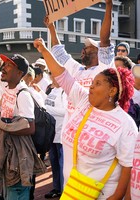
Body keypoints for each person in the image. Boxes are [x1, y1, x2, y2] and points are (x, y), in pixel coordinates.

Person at [34, 36, 138, 199]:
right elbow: (62, 75)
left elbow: (128, 165)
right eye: (92, 82)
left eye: (97, 84)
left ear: (111, 91)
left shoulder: (125, 124)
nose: (90, 86)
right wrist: (43, 50)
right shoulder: (83, 100)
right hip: (73, 191)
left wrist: (117, 196)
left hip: (102, 194)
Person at [0, 30, 46, 200]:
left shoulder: (23, 94)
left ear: (20, 73)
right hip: (8, 148)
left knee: (17, 190)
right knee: (7, 190)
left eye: (8, 65)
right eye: (5, 64)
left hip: (20, 152)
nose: (3, 67)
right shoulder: (5, 84)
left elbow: (29, 128)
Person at [45, 0, 114, 125]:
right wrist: (51, 27)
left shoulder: (103, 69)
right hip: (71, 127)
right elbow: (59, 52)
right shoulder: (77, 69)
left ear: (99, 52)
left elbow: (104, 40)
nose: (83, 50)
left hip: (92, 126)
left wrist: (108, 6)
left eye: (88, 47)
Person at [43, 75, 67, 198]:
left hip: (62, 133)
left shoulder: (65, 92)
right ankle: (56, 188)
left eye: (54, 76)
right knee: (54, 162)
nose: (52, 78)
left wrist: (47, 109)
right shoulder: (53, 90)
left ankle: (64, 191)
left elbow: (66, 111)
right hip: (52, 133)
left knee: (63, 164)